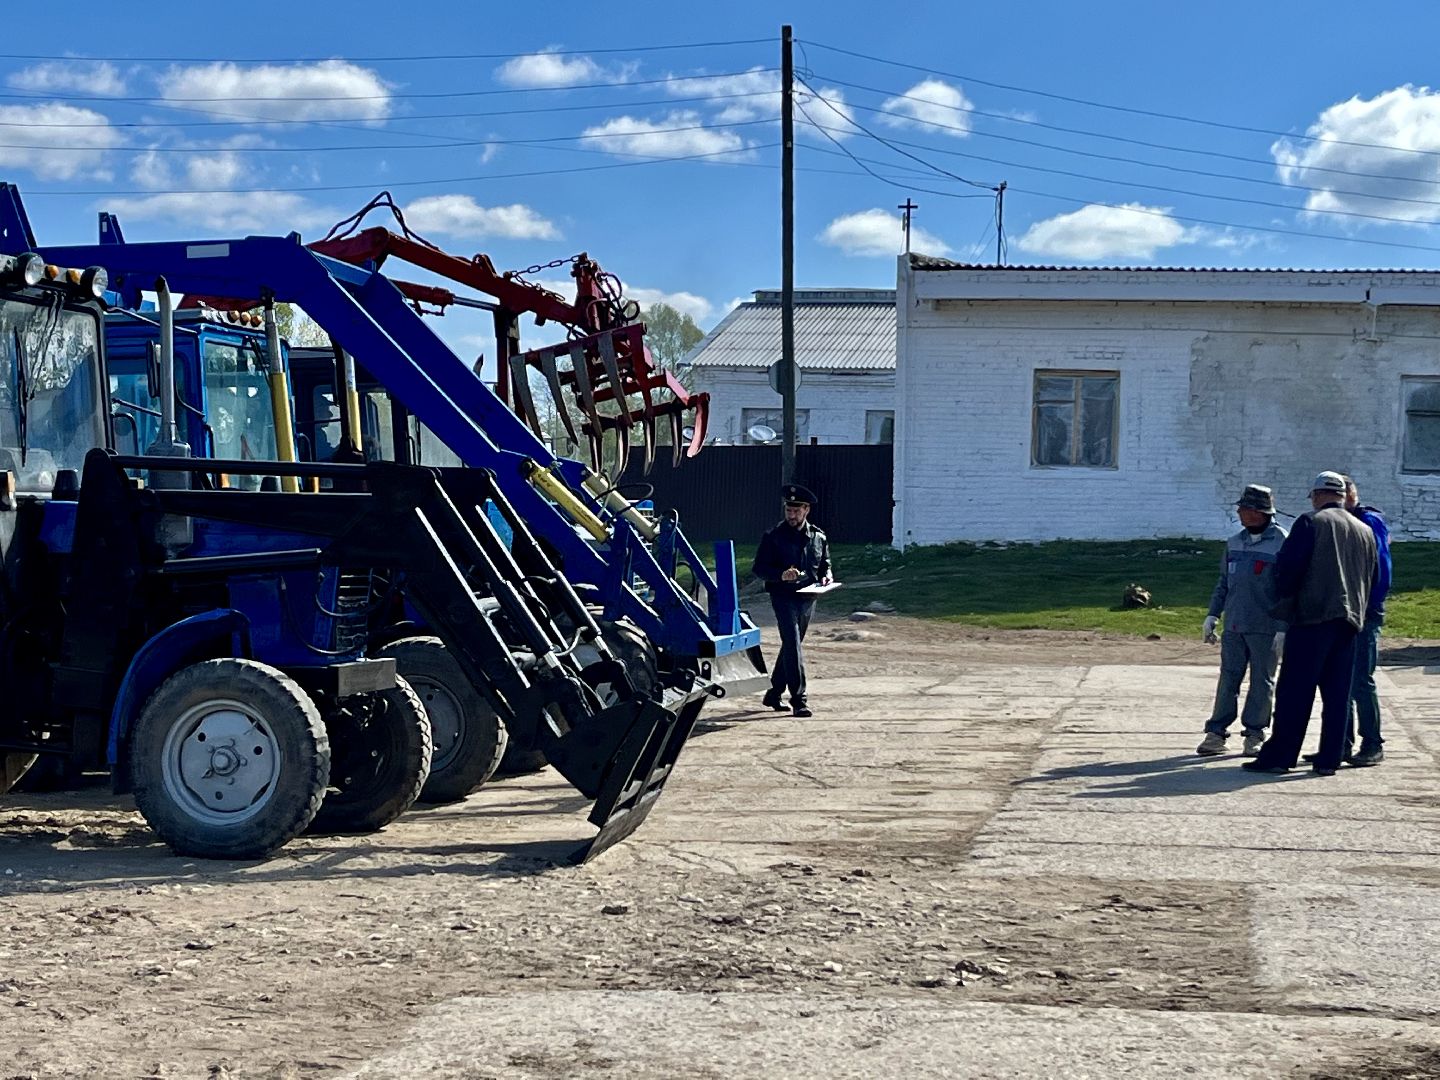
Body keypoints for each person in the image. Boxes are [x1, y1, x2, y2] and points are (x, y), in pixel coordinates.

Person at [1244, 471, 1377, 777]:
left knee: (1295, 691)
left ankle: (1280, 755)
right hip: (1350, 621)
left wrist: (1283, 604)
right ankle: (1329, 758)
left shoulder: (1310, 523)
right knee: (1337, 693)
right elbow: (1374, 577)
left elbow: (1289, 568)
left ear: (1317, 495)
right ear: (1342, 496)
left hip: (1312, 616)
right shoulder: (1364, 530)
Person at [1196, 484, 1288, 758]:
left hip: (1266, 628)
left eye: (1245, 509)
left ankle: (1255, 733)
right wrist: (1213, 614)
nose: (1240, 513)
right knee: (1228, 679)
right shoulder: (1235, 542)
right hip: (1235, 626)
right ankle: (1216, 732)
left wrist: (1283, 627)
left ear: (1261, 513)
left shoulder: (1283, 543)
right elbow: (1224, 583)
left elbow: (1288, 589)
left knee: (1262, 682)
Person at [753, 483, 832, 718]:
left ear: (806, 510)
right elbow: (759, 568)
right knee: (793, 644)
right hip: (783, 596)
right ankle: (799, 699)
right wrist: (780, 575)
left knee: (791, 646)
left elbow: (825, 564)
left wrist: (827, 577)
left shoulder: (818, 536)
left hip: (809, 598)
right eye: (789, 510)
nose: (792, 515)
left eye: (797, 511)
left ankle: (773, 693)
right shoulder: (773, 537)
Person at [1341, 476, 1391, 766]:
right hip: (1341, 610)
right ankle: (1340, 742)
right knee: (1339, 680)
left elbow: (1381, 569)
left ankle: (1372, 742)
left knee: (1361, 679)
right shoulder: (1333, 521)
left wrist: (1368, 605)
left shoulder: (1370, 522)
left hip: (1365, 611)